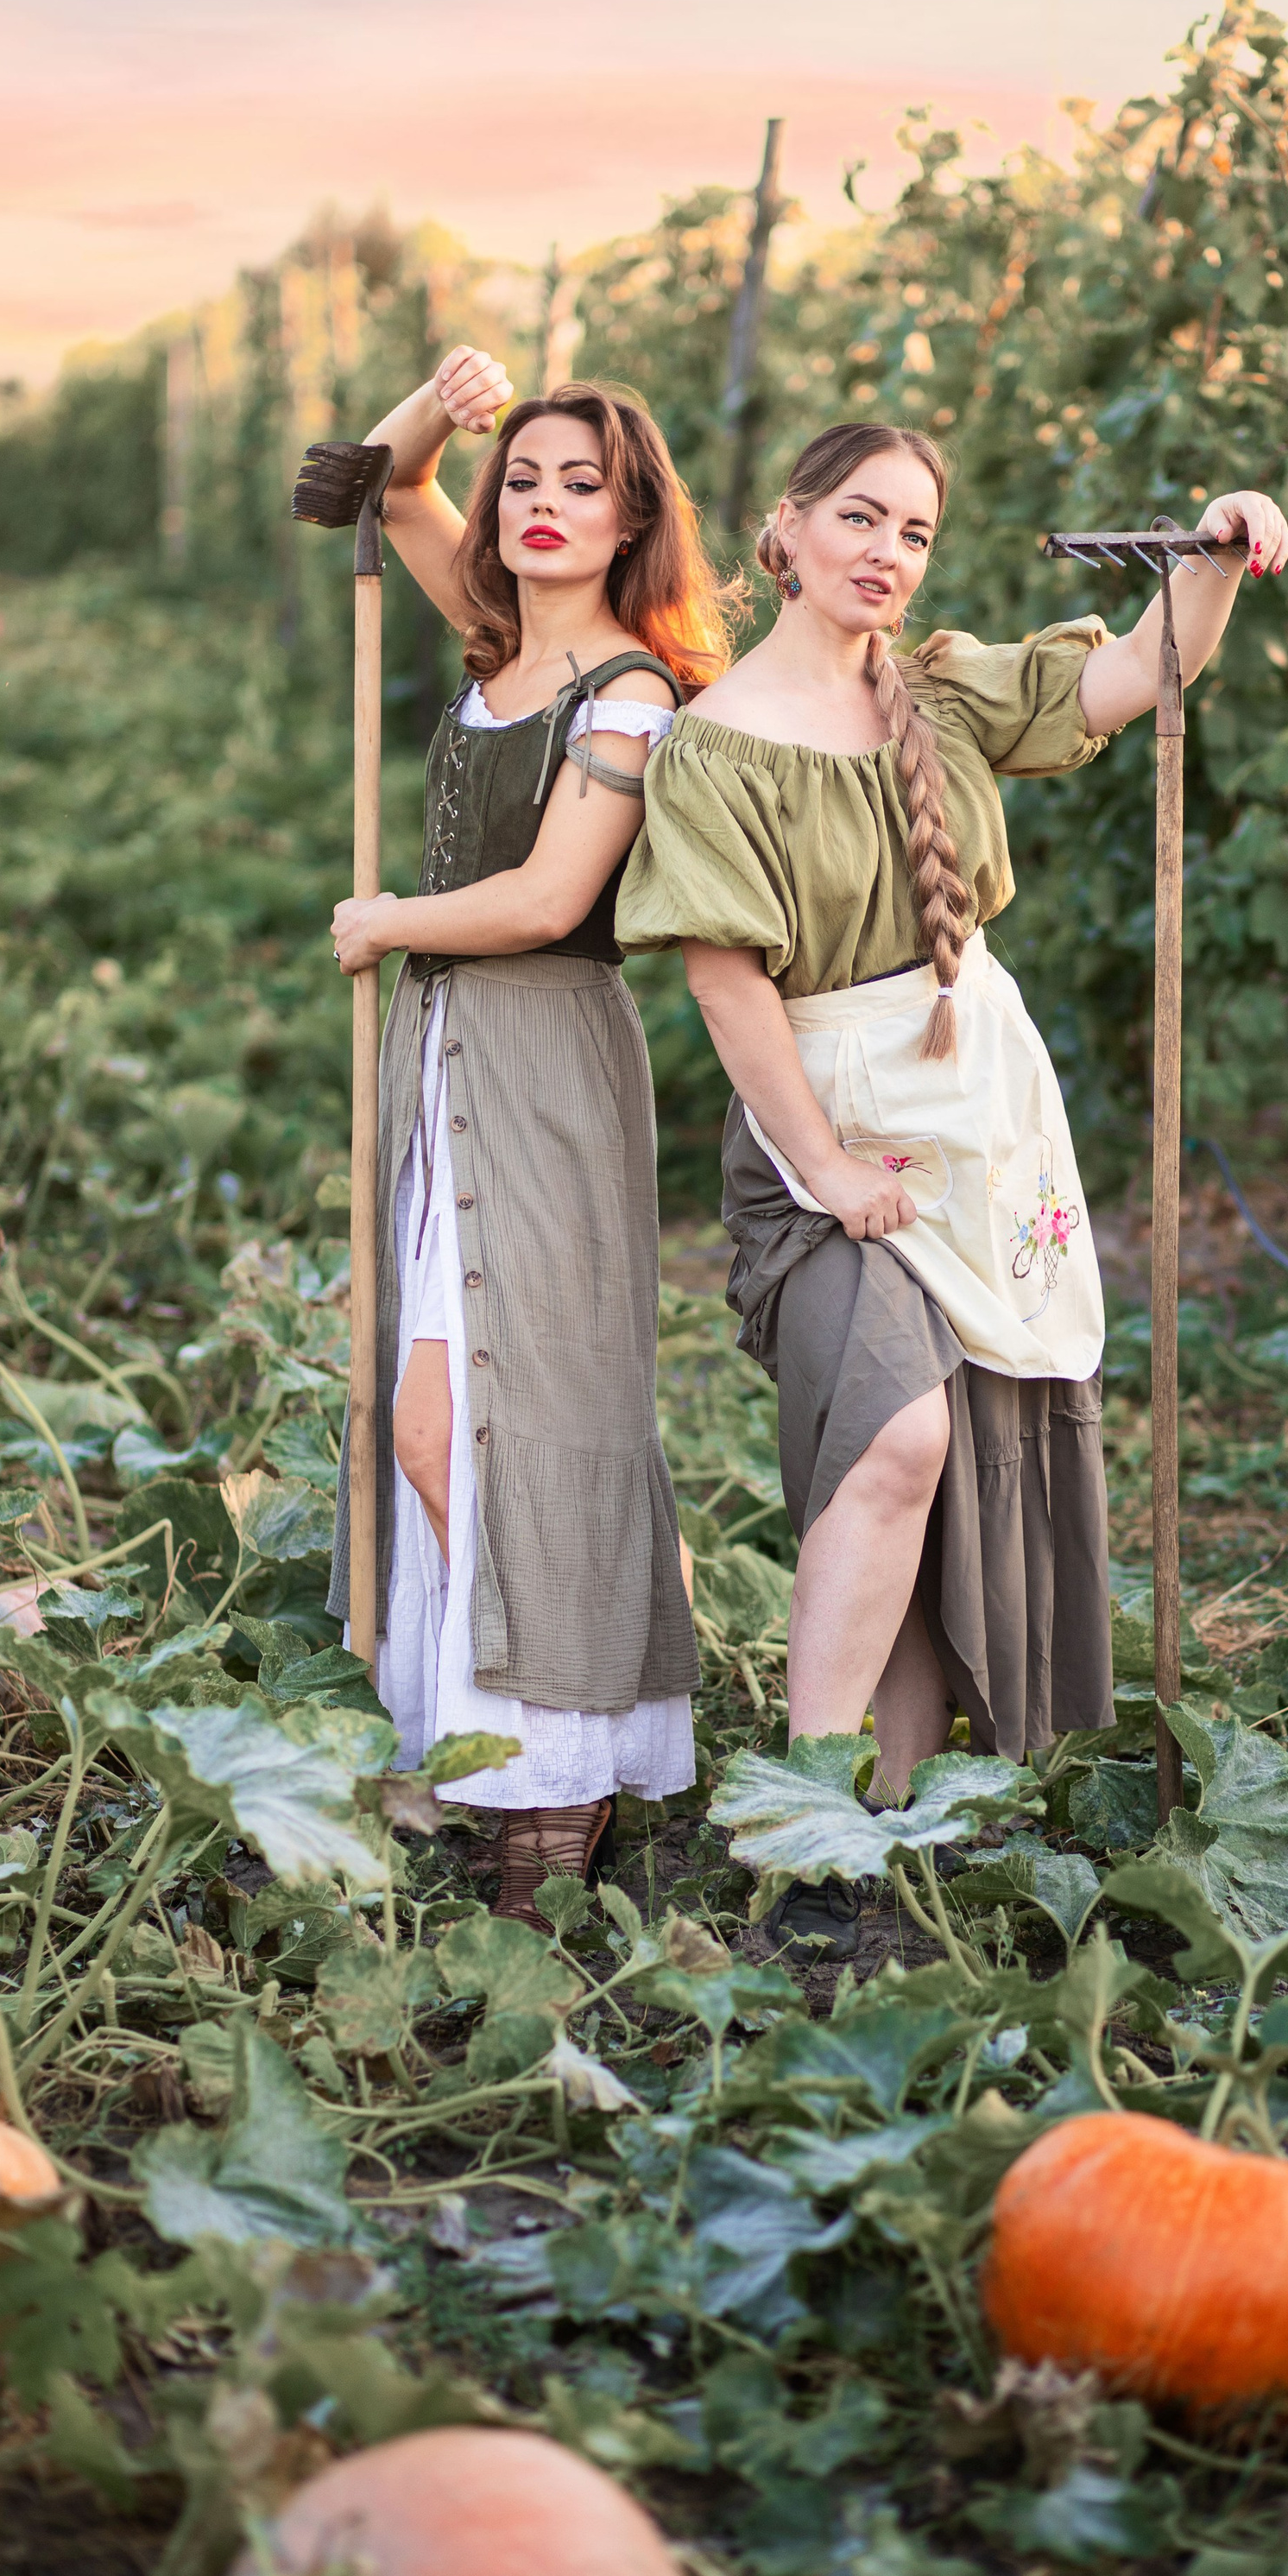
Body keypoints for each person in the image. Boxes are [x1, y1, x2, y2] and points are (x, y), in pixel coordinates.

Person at [617, 421, 1288, 1948]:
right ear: (783, 529)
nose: (887, 552)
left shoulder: (939, 691)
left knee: (948, 1454)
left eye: (915, 532)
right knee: (896, 1428)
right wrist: (831, 1167)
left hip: (977, 1113)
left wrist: (1216, 552)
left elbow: (1136, 672)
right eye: (860, 517)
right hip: (818, 1133)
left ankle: (907, 1824)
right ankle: (798, 1806)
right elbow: (729, 994)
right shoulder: (714, 742)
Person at [327, 345, 731, 1923]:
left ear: (633, 520)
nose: (545, 505)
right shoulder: (492, 642)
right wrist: (442, 405)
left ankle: (557, 1778)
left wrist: (384, 920)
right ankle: (507, 1742)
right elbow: (380, 485)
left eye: (585, 484)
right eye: (528, 481)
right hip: (446, 1052)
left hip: (549, 1052)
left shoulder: (624, 690)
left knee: (527, 1406)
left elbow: (559, 896)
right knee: (432, 1419)